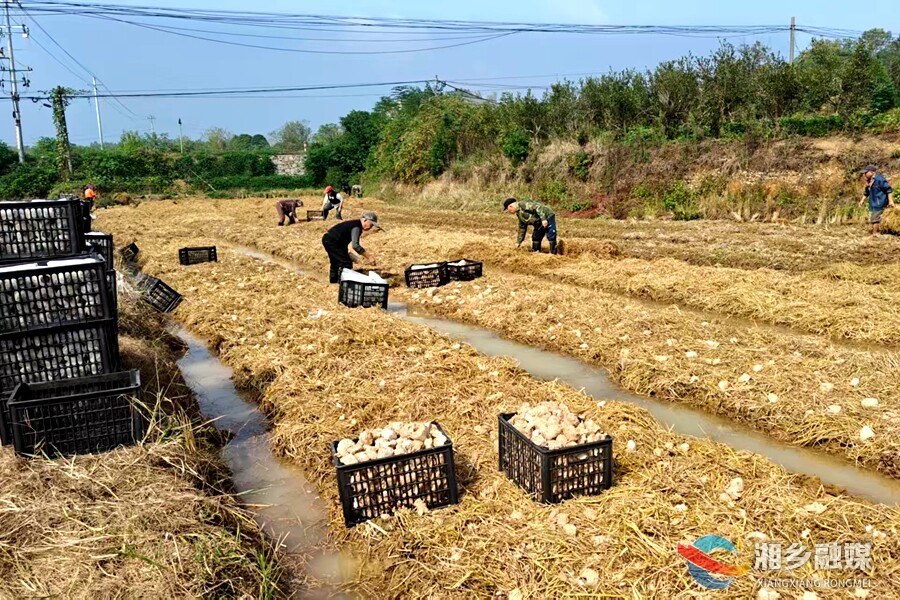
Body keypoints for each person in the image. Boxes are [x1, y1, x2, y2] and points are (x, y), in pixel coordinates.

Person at [321, 211, 383, 283]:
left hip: (329, 239)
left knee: (335, 262)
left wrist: (346, 253)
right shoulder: (357, 227)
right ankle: (343, 284)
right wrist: (369, 257)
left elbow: (342, 239)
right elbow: (355, 245)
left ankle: (334, 282)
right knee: (346, 263)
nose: (370, 227)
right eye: (371, 225)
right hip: (332, 241)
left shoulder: (354, 224)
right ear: (365, 220)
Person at [859, 165, 895, 235]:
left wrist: (890, 201)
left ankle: (875, 234)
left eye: (866, 172)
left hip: (880, 202)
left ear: (872, 172)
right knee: (875, 218)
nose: (864, 174)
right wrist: (862, 200)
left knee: (874, 218)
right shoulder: (869, 181)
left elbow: (888, 190)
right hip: (874, 202)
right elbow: (867, 192)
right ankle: (879, 232)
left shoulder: (880, 179)